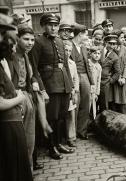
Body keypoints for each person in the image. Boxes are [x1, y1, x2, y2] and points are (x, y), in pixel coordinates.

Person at [0, 16, 34, 181]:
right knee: (6, 174)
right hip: (5, 123)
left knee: (10, 171)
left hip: (10, 122)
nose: (6, 41)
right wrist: (20, 98)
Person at [29, 13, 74, 159]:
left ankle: (60, 143)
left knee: (62, 116)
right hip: (50, 85)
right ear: (43, 26)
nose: (53, 28)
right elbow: (34, 68)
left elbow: (66, 65)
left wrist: (71, 86)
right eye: (50, 25)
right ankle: (51, 147)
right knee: (51, 118)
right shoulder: (38, 42)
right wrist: (42, 89)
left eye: (56, 25)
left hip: (64, 84)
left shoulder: (60, 41)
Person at [71, 23, 95, 140]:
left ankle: (82, 131)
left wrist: (92, 83)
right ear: (80, 34)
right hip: (74, 78)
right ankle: (73, 132)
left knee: (86, 104)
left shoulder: (84, 48)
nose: (87, 36)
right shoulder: (69, 46)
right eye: (86, 34)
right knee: (75, 104)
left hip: (84, 77)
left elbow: (88, 66)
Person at [63, 40, 79, 148]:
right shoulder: (60, 64)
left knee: (71, 115)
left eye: (69, 51)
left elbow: (75, 78)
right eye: (65, 50)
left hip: (71, 92)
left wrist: (75, 90)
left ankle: (71, 137)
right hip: (62, 92)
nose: (67, 52)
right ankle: (60, 138)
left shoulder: (72, 63)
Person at [99, 34, 120, 111]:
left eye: (114, 44)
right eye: (110, 43)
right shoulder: (99, 50)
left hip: (105, 83)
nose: (112, 46)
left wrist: (110, 81)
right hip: (94, 81)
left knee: (104, 104)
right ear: (106, 43)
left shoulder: (115, 57)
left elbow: (117, 72)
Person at [114, 31, 126, 113]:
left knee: (122, 101)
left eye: (124, 37)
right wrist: (118, 77)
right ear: (117, 38)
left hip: (122, 80)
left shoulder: (125, 49)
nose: (123, 39)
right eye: (121, 37)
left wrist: (124, 77)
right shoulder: (112, 48)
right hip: (114, 78)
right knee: (114, 100)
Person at [88, 46, 102, 118]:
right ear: (90, 54)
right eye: (95, 53)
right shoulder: (87, 63)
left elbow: (98, 80)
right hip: (87, 89)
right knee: (86, 108)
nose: (97, 55)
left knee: (93, 110)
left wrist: (97, 93)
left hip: (94, 91)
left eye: (99, 53)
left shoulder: (99, 66)